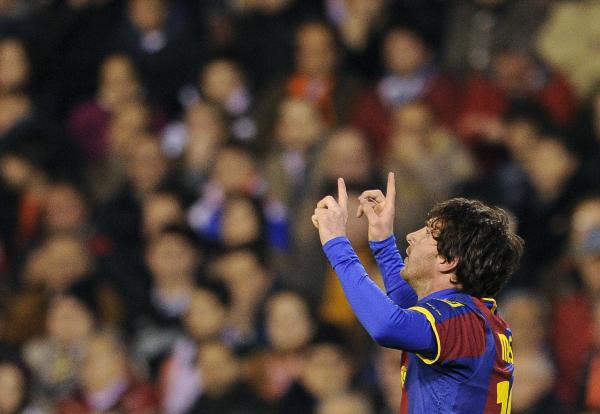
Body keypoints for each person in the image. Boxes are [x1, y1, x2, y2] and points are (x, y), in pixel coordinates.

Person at [311, 173, 524, 413]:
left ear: (448, 260)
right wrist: (382, 241)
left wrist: (337, 243)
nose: (411, 236)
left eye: (428, 234)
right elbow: (408, 311)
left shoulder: (462, 320)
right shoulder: (473, 318)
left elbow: (388, 326)